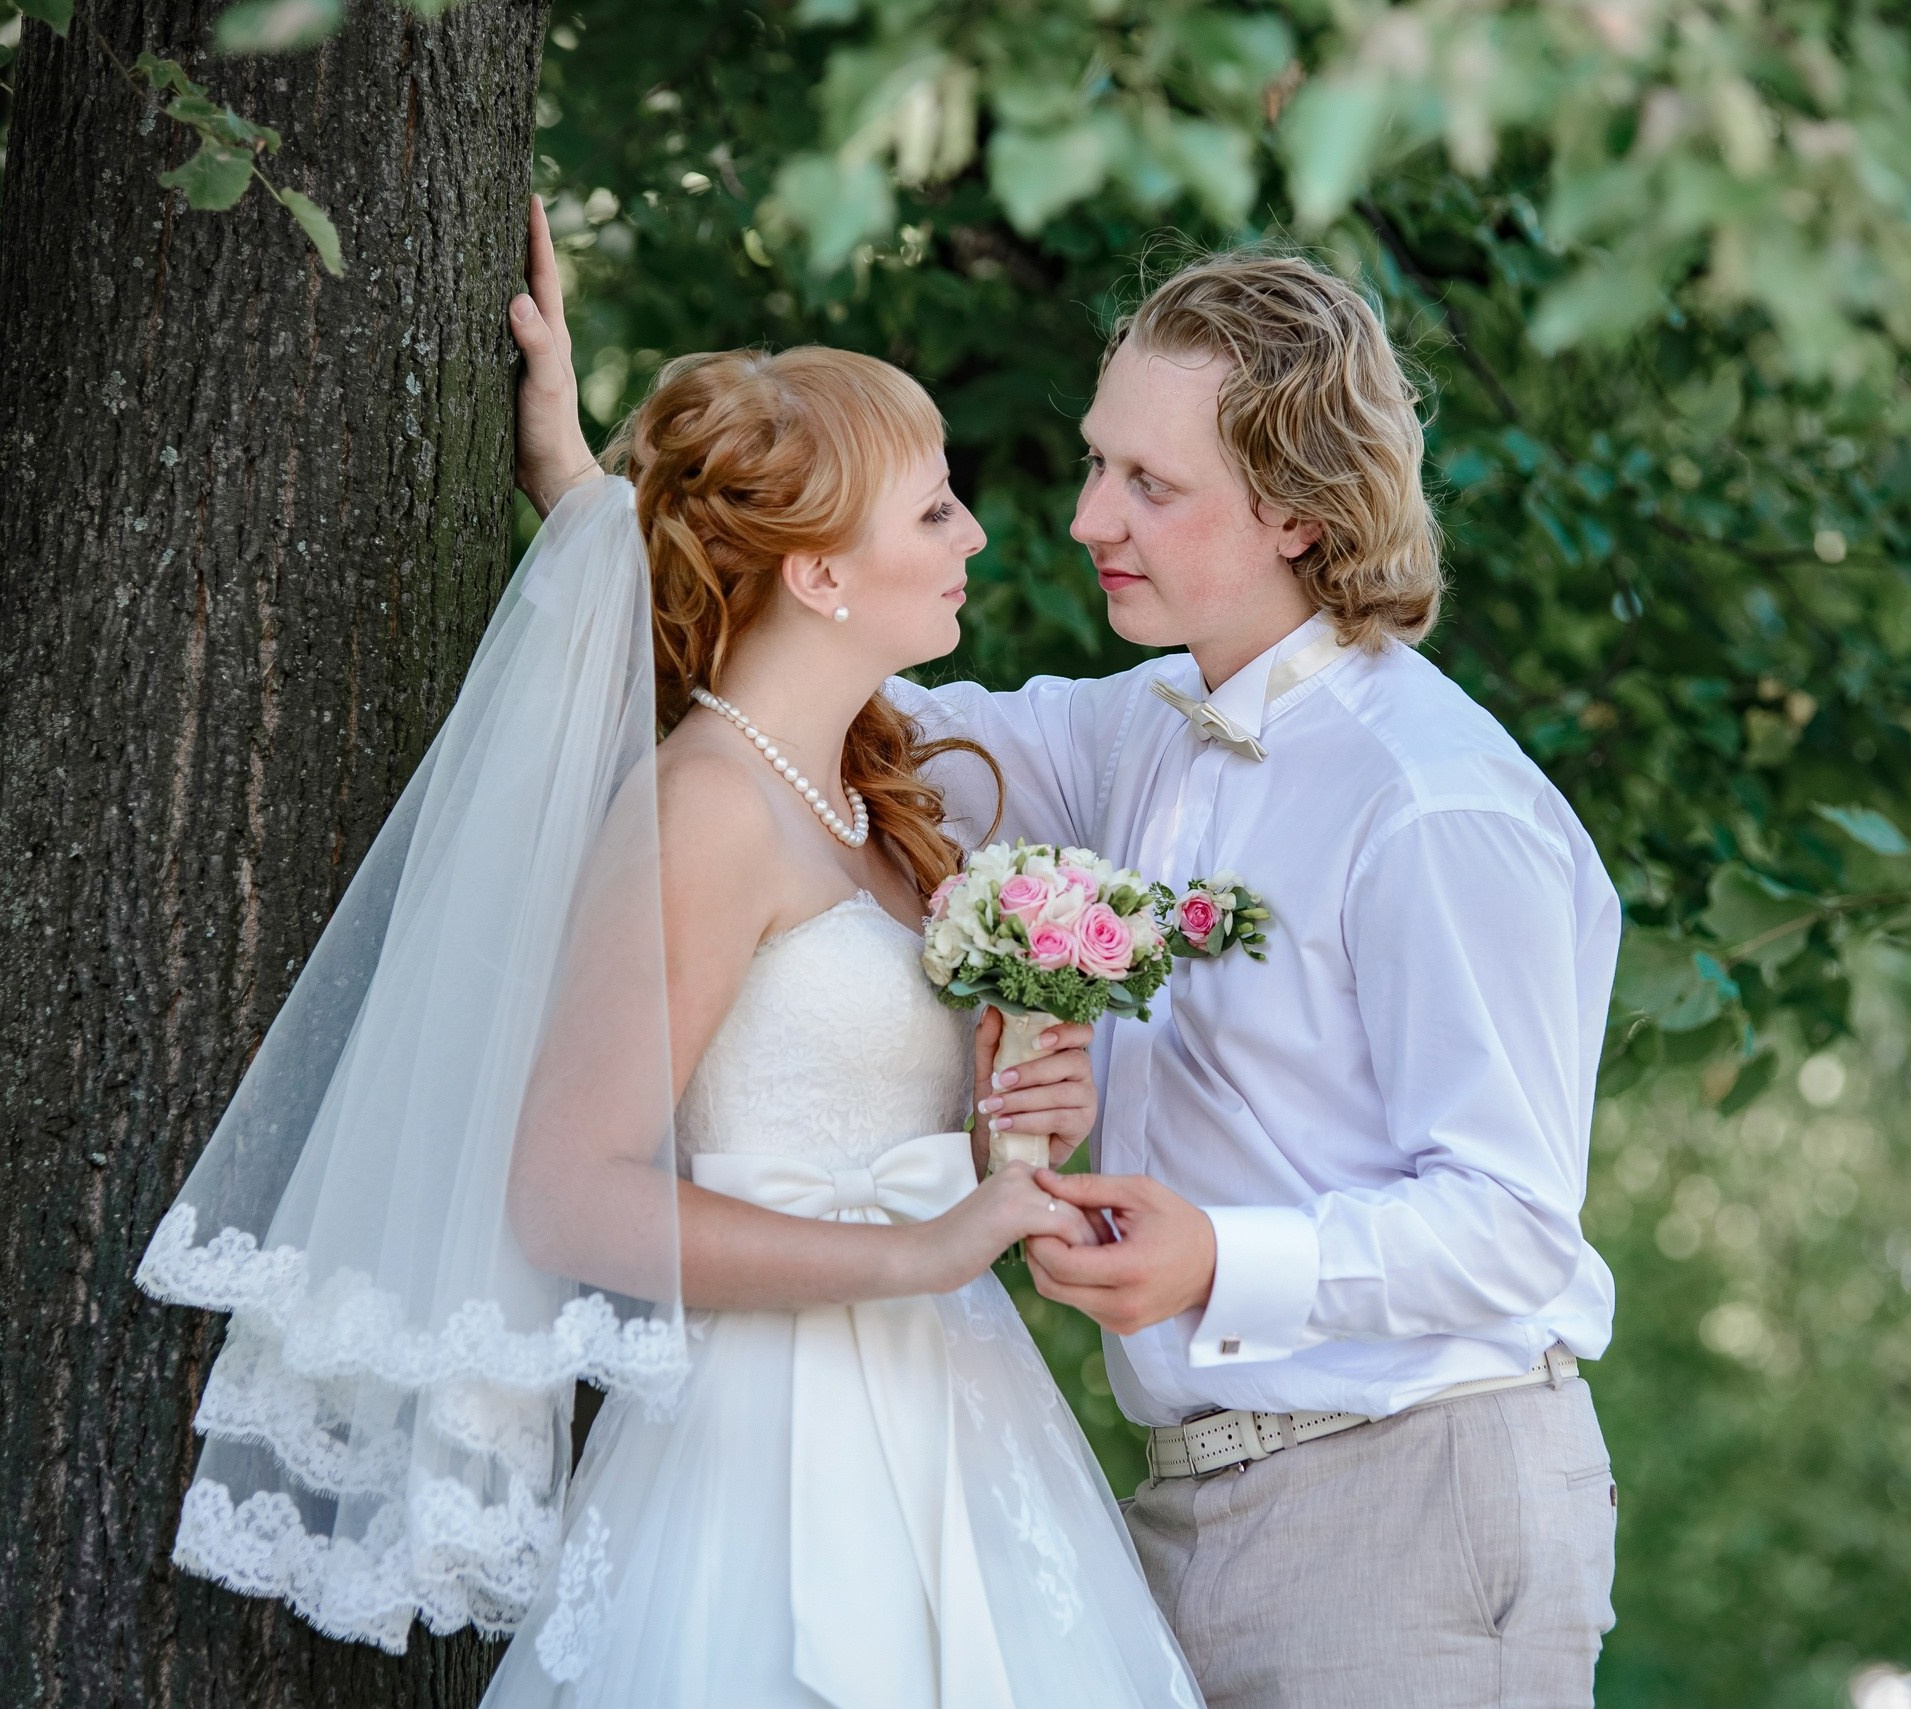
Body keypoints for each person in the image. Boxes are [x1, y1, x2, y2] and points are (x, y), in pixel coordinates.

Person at [515, 222, 1619, 1708]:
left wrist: (1218, 1255)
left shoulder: (1435, 805)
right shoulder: (1145, 722)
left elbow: (1514, 1226)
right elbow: (825, 701)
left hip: (1414, 1492)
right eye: (1100, 461)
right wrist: (609, 516)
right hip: (1180, 1507)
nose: (1090, 515)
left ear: (1296, 509)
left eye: (1151, 485)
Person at [143, 244, 1204, 1702]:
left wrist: (1012, 1127)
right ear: (822, 570)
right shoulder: (705, 804)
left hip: (954, 1411)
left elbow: (878, 1122)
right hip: (763, 1446)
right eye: (934, 505)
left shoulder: (879, 801)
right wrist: (917, 1250)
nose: (974, 535)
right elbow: (567, 1193)